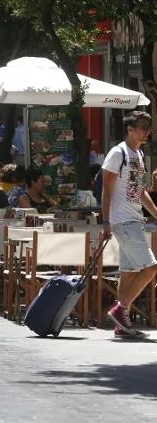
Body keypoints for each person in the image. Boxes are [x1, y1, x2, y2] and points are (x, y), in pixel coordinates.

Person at [102, 111, 157, 339]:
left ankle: (121, 325)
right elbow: (107, 189)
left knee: (128, 272)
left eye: (148, 127)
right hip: (123, 220)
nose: (147, 131)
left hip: (134, 219)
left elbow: (141, 191)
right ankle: (120, 308)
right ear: (130, 129)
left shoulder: (139, 154)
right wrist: (105, 220)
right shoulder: (118, 153)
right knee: (151, 268)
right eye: (143, 127)